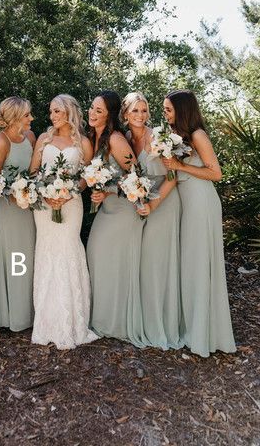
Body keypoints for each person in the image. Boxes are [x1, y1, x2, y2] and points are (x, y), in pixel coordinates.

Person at [162, 89, 236, 357]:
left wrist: (179, 166)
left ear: (182, 110)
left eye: (169, 109)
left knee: (201, 262)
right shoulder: (178, 138)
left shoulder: (197, 135)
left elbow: (215, 173)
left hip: (202, 202)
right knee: (191, 263)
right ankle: (193, 327)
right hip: (187, 202)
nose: (166, 114)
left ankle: (205, 333)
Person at [29, 94, 98, 349]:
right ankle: (46, 322)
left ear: (69, 112)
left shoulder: (83, 143)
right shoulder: (43, 139)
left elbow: (88, 176)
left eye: (57, 111)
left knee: (68, 250)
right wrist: (46, 193)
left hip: (72, 205)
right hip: (43, 207)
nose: (52, 116)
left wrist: (69, 192)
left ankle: (72, 322)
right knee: (47, 253)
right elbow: (33, 172)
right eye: (50, 112)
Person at [121, 92, 182, 350]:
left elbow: (173, 175)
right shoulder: (122, 140)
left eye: (144, 110)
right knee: (145, 263)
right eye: (135, 111)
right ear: (125, 114)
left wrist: (153, 205)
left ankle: (162, 325)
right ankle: (145, 320)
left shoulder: (158, 136)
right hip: (144, 204)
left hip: (165, 203)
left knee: (158, 263)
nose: (141, 116)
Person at [86, 90, 146, 345]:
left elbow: (137, 177)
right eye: (91, 108)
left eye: (99, 111)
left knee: (108, 259)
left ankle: (114, 322)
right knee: (96, 256)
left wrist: (107, 189)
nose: (92, 113)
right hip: (108, 209)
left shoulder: (117, 140)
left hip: (123, 211)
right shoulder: (94, 137)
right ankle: (100, 318)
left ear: (109, 115)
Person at [0, 96, 36, 331]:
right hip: (9, 209)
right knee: (16, 257)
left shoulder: (30, 136)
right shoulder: (1, 142)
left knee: (30, 254)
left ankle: (31, 310)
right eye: (27, 115)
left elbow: (36, 170)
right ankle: (15, 316)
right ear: (17, 117)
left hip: (30, 207)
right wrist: (13, 193)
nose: (31, 118)